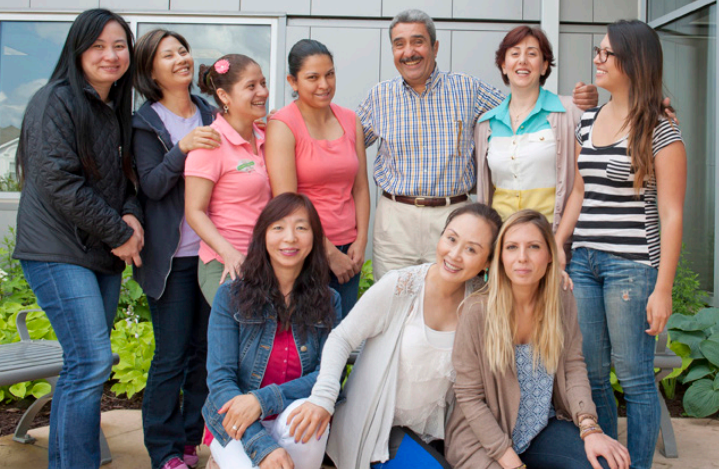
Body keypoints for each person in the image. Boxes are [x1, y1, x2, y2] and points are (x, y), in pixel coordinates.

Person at [357, 9, 598, 279]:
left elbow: (525, 105)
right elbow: (346, 148)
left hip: (455, 217)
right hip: (395, 219)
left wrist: (578, 103)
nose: (409, 51)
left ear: (435, 47)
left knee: (454, 305)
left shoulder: (468, 89)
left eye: (418, 41)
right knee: (393, 300)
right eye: (399, 44)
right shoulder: (379, 96)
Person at [12, 9, 143, 469]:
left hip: (97, 252)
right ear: (78, 50)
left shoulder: (113, 109)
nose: (111, 55)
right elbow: (58, 182)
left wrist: (130, 213)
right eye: (98, 46)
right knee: (90, 362)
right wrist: (121, 233)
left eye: (119, 46)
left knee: (83, 365)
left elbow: (125, 181)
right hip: (56, 249)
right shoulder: (57, 100)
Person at [554, 20, 686, 469]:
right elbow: (578, 191)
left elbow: (671, 214)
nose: (597, 59)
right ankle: (613, 461)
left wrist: (663, 287)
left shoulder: (661, 128)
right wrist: (558, 244)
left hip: (633, 265)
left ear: (633, 61)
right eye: (598, 50)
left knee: (634, 379)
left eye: (606, 53)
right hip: (585, 263)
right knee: (591, 378)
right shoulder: (588, 120)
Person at [287, 203, 504, 469]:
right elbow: (342, 338)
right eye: (451, 239)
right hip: (376, 434)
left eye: (472, 249)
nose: (455, 254)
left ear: (488, 262)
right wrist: (323, 397)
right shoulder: (400, 286)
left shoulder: (481, 301)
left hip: (432, 439)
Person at [446, 210, 630, 469]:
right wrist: (511, 462)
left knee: (605, 464)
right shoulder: (477, 310)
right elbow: (468, 396)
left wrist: (590, 427)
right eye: (512, 247)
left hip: (540, 429)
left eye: (533, 247)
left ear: (549, 256)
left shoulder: (561, 299)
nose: (522, 258)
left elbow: (573, 365)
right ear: (499, 257)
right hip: (484, 440)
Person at [132, 29, 222, 469]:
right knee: (171, 355)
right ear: (151, 70)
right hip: (171, 261)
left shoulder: (210, 112)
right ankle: (164, 450)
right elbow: (150, 185)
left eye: (183, 50)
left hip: (211, 254)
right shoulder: (144, 122)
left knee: (206, 350)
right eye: (168, 55)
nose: (180, 59)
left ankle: (190, 439)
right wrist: (183, 149)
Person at [202, 193, 341, 469]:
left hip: (292, 416)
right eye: (278, 227)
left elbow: (327, 375)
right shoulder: (230, 295)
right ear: (262, 236)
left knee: (311, 418)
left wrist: (262, 400)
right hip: (235, 420)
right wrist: (263, 447)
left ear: (315, 238)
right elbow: (220, 380)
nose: (289, 238)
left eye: (301, 228)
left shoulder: (329, 300)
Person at [266, 39, 370, 317]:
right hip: (303, 250)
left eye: (330, 74)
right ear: (293, 81)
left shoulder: (350, 120)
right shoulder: (283, 125)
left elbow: (360, 188)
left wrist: (360, 242)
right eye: (313, 77)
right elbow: (286, 201)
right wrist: (329, 253)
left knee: (341, 339)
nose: (324, 84)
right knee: (306, 341)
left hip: (348, 250)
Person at [475, 26, 582, 236]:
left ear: (544, 66)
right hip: (502, 239)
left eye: (532, 54)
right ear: (504, 66)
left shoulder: (571, 112)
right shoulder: (486, 124)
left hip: (551, 238)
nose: (522, 60)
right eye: (515, 54)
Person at [185, 54, 272, 305]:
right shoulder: (210, 142)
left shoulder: (267, 136)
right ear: (224, 96)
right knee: (244, 338)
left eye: (263, 83)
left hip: (266, 263)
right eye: (251, 86)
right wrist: (229, 253)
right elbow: (194, 211)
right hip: (227, 264)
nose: (263, 92)